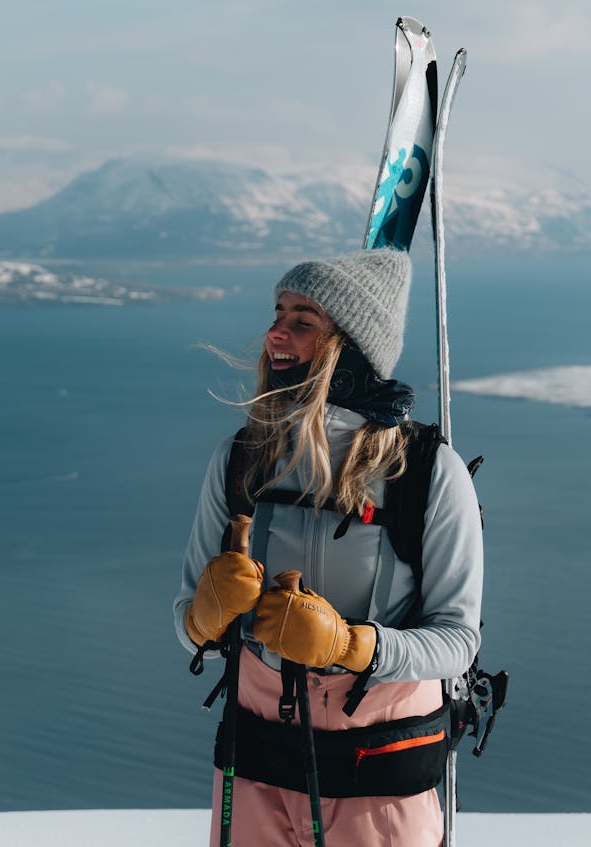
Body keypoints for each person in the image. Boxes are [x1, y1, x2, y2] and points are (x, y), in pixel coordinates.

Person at [173, 248, 483, 846]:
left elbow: (458, 643)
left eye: (302, 321)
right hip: (257, 763)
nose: (275, 333)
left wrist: (349, 646)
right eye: (277, 314)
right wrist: (204, 621)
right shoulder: (241, 458)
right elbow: (188, 628)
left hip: (379, 771)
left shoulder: (425, 472)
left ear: (352, 346)